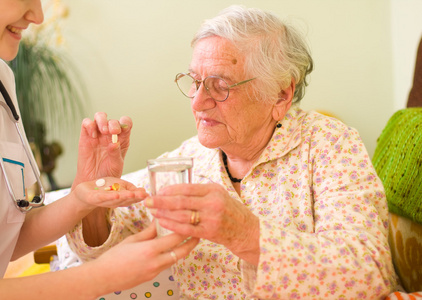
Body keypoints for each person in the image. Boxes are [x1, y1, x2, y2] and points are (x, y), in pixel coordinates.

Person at [68, 5, 397, 299]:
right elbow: (98, 258)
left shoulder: (329, 145)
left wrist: (247, 233)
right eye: (195, 81)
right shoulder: (184, 161)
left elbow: (370, 276)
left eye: (221, 86)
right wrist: (96, 193)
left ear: (281, 95)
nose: (197, 103)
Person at [0, 0, 198, 299]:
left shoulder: (3, 79)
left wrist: (81, 197)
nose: (38, 16)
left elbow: (6, 241)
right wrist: (102, 276)